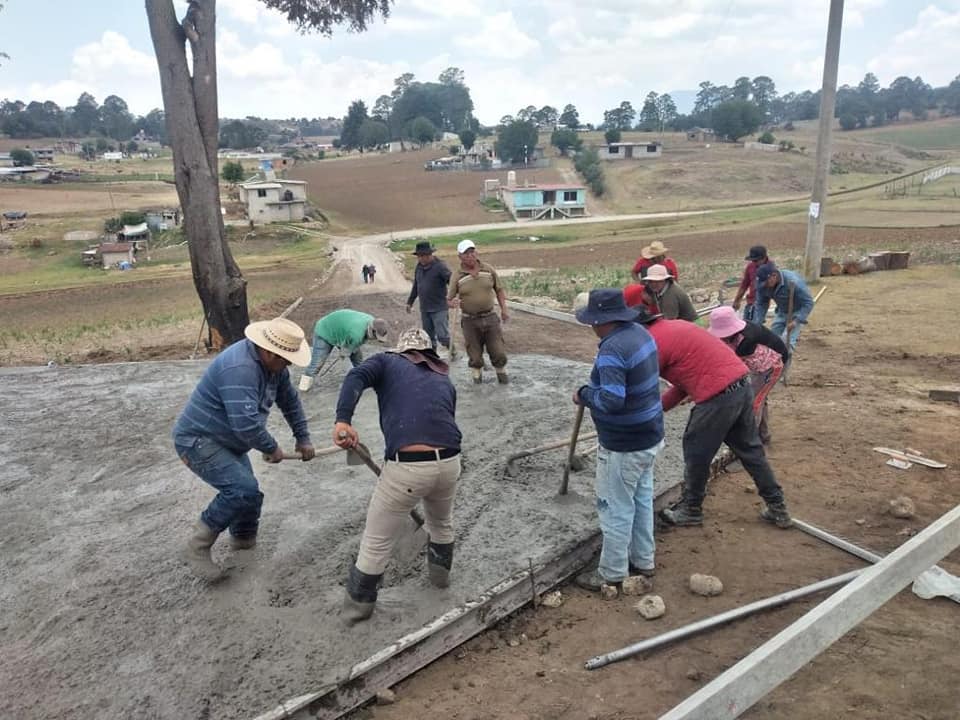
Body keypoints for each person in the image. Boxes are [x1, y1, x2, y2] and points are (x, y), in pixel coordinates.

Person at [173, 317, 317, 580]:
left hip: (227, 441)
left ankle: (243, 543)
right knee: (242, 489)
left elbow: (291, 403)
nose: (287, 365)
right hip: (198, 439)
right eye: (285, 359)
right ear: (269, 351)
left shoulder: (275, 369)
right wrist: (271, 448)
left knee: (251, 495)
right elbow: (245, 425)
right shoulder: (240, 368)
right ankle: (198, 546)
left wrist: (303, 438)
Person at [334, 328, 462, 623]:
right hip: (450, 463)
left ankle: (356, 610)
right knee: (441, 524)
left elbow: (355, 377)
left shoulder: (386, 361)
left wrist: (343, 420)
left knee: (376, 541)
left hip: (408, 468)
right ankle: (441, 583)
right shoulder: (443, 377)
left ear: (401, 350)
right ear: (428, 354)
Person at [634, 308, 792, 529]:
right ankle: (778, 507)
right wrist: (657, 410)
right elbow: (682, 383)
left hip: (718, 397)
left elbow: (639, 381)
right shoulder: (676, 328)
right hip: (741, 386)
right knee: (750, 449)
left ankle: (691, 509)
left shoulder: (653, 342)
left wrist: (638, 415)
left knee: (696, 450)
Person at [571, 289, 664, 591]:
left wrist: (584, 394)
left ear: (601, 320)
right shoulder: (639, 333)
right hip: (650, 434)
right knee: (640, 500)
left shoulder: (612, 350)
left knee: (615, 507)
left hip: (624, 443)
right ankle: (644, 560)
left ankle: (611, 573)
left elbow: (611, 400)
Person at [708, 306, 788, 444]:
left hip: (772, 366)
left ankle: (750, 443)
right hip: (758, 368)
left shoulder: (746, 341)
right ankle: (763, 435)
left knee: (753, 403)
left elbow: (733, 367)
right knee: (760, 398)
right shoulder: (734, 335)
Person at [447, 239, 509, 384]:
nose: (470, 255)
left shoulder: (488, 270)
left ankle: (502, 376)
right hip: (470, 320)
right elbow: (449, 299)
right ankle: (477, 380)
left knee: (498, 351)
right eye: (466, 253)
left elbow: (499, 290)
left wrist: (504, 309)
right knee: (475, 355)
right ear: (460, 256)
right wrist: (452, 303)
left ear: (476, 252)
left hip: (490, 317)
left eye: (472, 251)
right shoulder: (457, 276)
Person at [298, 309, 389, 392]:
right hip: (325, 331)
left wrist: (345, 351)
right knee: (317, 363)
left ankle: (363, 375)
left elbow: (350, 346)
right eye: (376, 337)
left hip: (341, 330)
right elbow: (347, 347)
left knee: (358, 359)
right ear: (372, 331)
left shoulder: (371, 321)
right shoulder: (357, 334)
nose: (376, 340)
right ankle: (304, 387)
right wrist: (344, 352)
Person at [406, 240, 454, 358]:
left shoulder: (440, 266)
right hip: (425, 308)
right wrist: (410, 302)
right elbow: (416, 286)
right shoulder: (419, 267)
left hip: (439, 307)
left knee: (442, 335)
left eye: (423, 255)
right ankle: (433, 357)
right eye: (419, 256)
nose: (421, 258)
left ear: (430, 254)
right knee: (428, 336)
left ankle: (453, 350)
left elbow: (452, 281)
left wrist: (453, 297)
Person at [755, 263, 815, 352]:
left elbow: (808, 302)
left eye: (766, 282)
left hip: (796, 312)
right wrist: (758, 324)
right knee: (773, 340)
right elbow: (761, 304)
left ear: (774, 276)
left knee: (788, 343)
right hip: (781, 311)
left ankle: (785, 363)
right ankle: (774, 363)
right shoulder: (764, 284)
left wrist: (796, 321)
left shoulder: (794, 281)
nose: (765, 285)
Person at [732, 245, 771, 323]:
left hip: (762, 302)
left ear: (763, 258)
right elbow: (744, 284)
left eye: (756, 260)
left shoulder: (771, 268)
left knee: (755, 326)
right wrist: (737, 300)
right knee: (745, 324)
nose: (754, 262)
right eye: (752, 260)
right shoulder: (750, 266)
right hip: (750, 301)